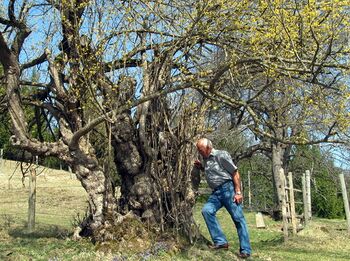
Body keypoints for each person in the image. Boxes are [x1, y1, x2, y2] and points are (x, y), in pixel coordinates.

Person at [194, 138, 251, 259]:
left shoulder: (221, 155)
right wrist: (201, 167)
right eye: (198, 149)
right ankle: (221, 242)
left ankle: (245, 250)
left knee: (238, 219)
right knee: (206, 211)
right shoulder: (206, 159)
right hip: (216, 193)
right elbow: (214, 172)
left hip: (228, 190)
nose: (199, 152)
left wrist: (238, 192)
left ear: (208, 148)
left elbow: (234, 172)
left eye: (201, 149)